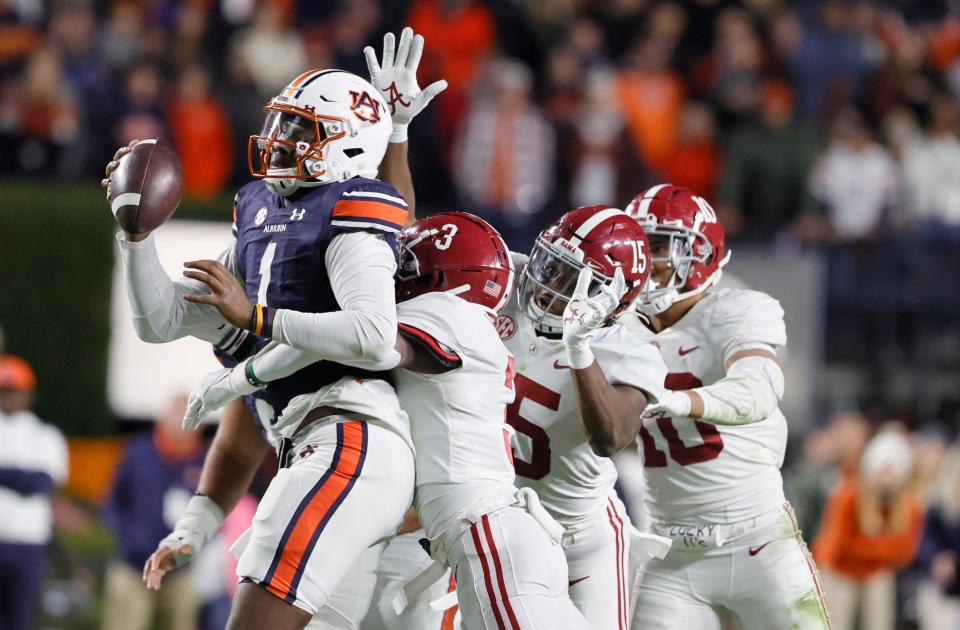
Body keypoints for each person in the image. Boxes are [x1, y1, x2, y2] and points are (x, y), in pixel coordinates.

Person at [103, 28, 447, 630]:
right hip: (314, 443)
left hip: (349, 438)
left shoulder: (354, 205)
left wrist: (255, 318)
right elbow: (161, 322)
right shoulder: (261, 208)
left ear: (345, 146)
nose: (278, 140)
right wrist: (136, 237)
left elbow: (372, 335)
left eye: (299, 129)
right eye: (281, 124)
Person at [187, 212, 593, 629]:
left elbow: (362, 338)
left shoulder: (447, 313)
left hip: (487, 536)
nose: (392, 276)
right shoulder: (465, 327)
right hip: (477, 537)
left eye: (407, 264)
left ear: (442, 277)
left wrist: (244, 364)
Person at [621, 184, 830, 629]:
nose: (646, 262)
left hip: (758, 541)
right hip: (669, 553)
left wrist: (681, 401)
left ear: (700, 255)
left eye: (658, 247)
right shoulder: (614, 327)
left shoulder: (737, 309)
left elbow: (758, 390)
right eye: (639, 246)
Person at [498, 205, 671, 629]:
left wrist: (580, 349)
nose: (548, 283)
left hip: (579, 539)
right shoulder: (504, 281)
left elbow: (611, 436)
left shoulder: (630, 351)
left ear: (611, 298)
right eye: (551, 263)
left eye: (570, 277)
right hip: (494, 518)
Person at [101, 394, 206, 630]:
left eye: (189, 415)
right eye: (177, 413)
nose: (182, 421)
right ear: (162, 417)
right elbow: (111, 504)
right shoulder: (138, 452)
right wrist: (130, 539)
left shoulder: (204, 460)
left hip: (181, 567)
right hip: (134, 565)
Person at [813, 428, 923, 630]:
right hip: (841, 569)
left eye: (891, 472)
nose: (886, 479)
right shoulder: (848, 497)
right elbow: (837, 546)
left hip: (876, 573)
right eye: (882, 471)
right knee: (834, 622)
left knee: (879, 620)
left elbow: (905, 552)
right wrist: (881, 548)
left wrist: (873, 547)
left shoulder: (908, 506)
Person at [0, 355, 68, 630]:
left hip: (29, 542)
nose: (10, 397)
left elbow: (43, 483)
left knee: (22, 618)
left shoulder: (44, 434)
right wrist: (20, 476)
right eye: (5, 391)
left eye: (15, 390)